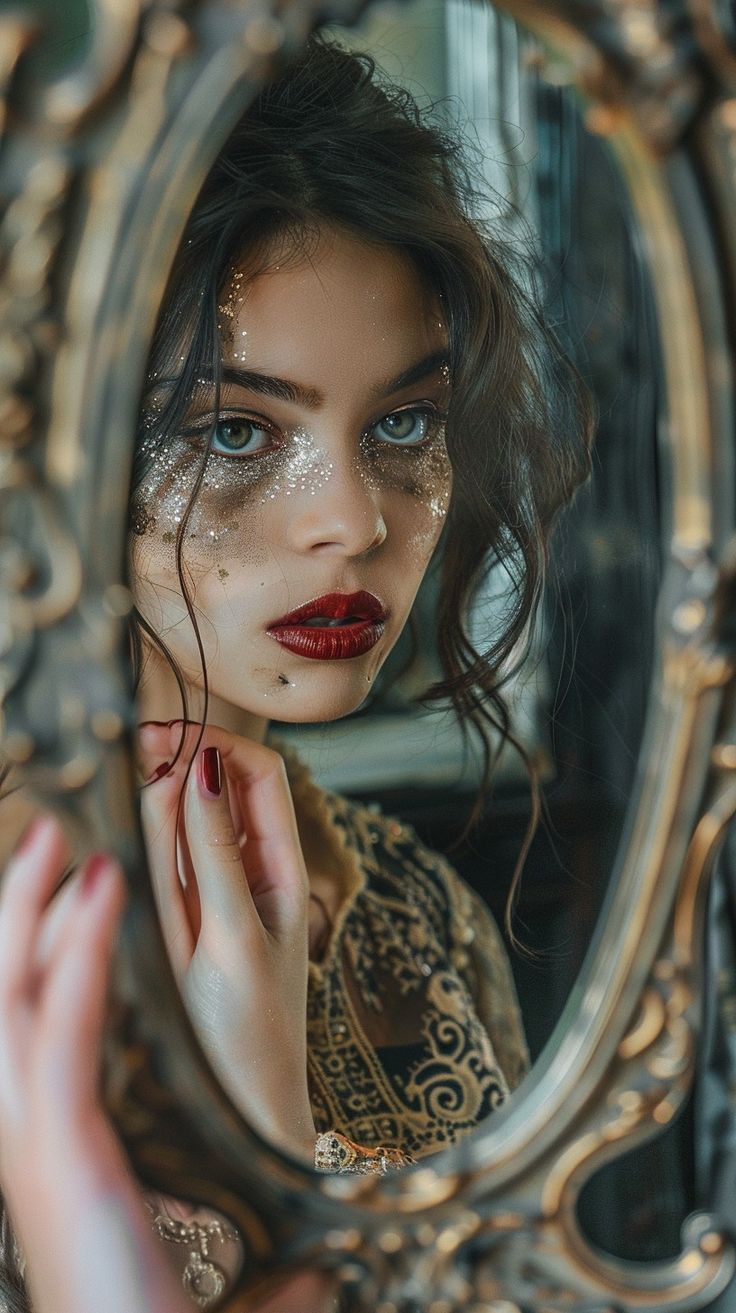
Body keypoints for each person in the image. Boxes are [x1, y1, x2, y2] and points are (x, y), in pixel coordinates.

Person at [0, 32, 594, 1313]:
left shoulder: (414, 917)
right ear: (63, 447)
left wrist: (268, 1124)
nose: (357, 522)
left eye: (400, 423)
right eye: (234, 429)